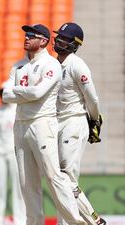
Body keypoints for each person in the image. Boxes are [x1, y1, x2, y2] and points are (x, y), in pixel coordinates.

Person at [2, 24, 86, 225]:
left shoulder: (51, 64)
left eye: (32, 35)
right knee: (27, 183)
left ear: (44, 41)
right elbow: (5, 95)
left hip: (42, 123)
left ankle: (77, 222)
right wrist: (26, 92)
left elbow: (38, 93)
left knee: (53, 176)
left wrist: (18, 92)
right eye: (26, 34)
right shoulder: (18, 66)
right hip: (21, 124)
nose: (26, 37)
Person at [53, 22, 106, 225]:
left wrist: (94, 119)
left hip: (74, 123)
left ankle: (94, 221)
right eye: (58, 37)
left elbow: (92, 98)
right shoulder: (53, 64)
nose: (59, 41)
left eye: (65, 39)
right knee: (59, 180)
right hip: (58, 124)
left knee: (66, 178)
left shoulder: (77, 65)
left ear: (75, 45)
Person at [0, 87, 26, 225]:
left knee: (18, 187)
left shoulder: (16, 109)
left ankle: (20, 220)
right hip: (0, 152)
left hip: (14, 152)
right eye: (1, 94)